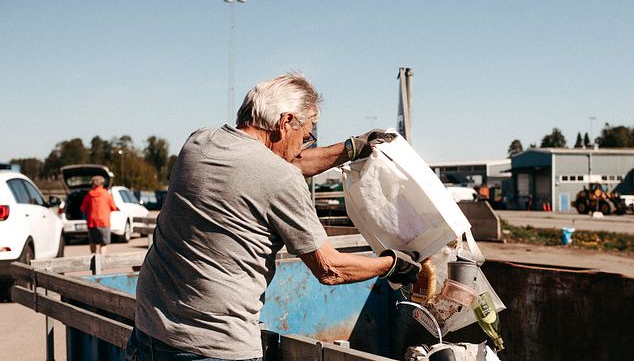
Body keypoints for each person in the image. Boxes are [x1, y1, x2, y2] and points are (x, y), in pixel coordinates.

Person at [127, 72, 420, 361]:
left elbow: (276, 163)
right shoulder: (281, 179)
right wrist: (392, 264)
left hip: (150, 333)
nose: (305, 146)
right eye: (307, 137)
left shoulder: (200, 142)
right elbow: (331, 270)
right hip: (214, 346)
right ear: (285, 122)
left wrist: (350, 149)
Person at [80, 175, 119, 256]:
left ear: (93, 184)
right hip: (104, 223)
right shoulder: (106, 194)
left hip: (92, 223)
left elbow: (83, 208)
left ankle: (93, 260)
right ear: (102, 184)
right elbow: (113, 207)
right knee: (103, 244)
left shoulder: (89, 195)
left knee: (93, 243)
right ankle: (101, 262)